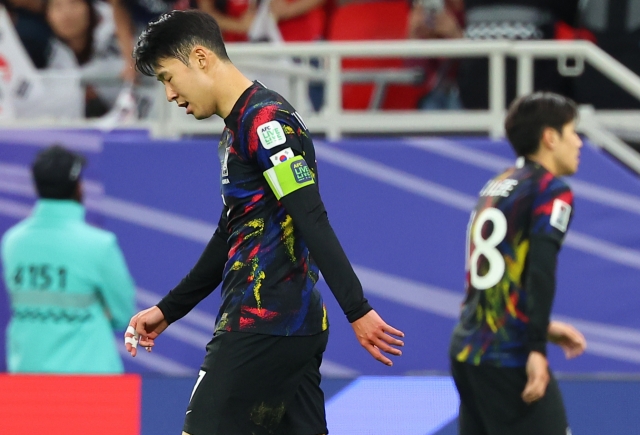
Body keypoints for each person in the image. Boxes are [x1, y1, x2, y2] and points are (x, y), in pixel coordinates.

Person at [123, 10, 404, 435]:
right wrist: (169, 309)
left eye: (167, 77)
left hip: (264, 323)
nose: (168, 95)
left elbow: (308, 213)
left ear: (200, 58)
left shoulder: (266, 123)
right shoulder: (239, 128)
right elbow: (229, 233)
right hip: (290, 325)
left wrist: (357, 308)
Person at [449, 92, 588, 435]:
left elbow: (486, 280)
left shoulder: (496, 186)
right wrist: (536, 347)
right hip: (507, 354)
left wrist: (544, 328)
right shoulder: (551, 189)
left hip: (468, 351)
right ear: (550, 137)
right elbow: (541, 270)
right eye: (573, 131)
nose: (579, 142)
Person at [1, 145, 136, 373]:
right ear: (78, 187)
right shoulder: (99, 245)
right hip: (91, 384)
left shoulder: (12, 242)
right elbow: (124, 314)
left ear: (36, 186)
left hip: (27, 381)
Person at [45, 0, 123, 117]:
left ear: (89, 7)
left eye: (74, 3)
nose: (67, 14)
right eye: (57, 7)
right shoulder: (47, 52)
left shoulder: (119, 35)